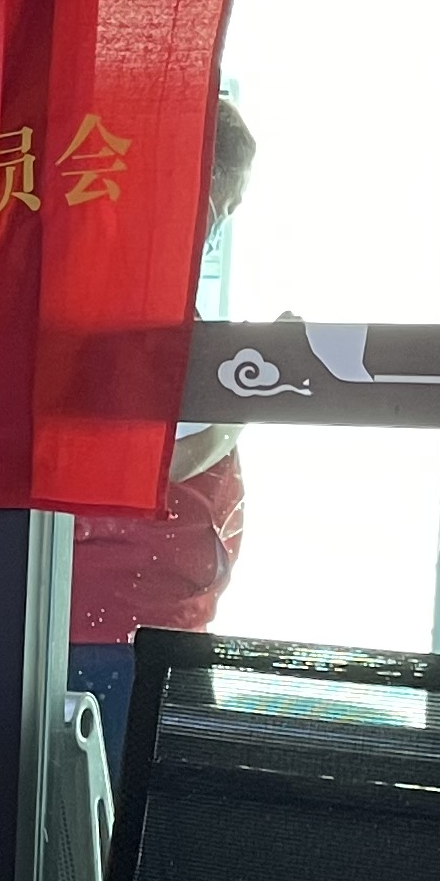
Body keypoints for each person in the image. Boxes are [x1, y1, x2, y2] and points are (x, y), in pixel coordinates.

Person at [66, 97, 258, 752]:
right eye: (224, 206)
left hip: (97, 612)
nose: (215, 228)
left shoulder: (97, 279)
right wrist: (246, 403)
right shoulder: (139, 298)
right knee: (140, 808)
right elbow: (153, 466)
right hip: (126, 620)